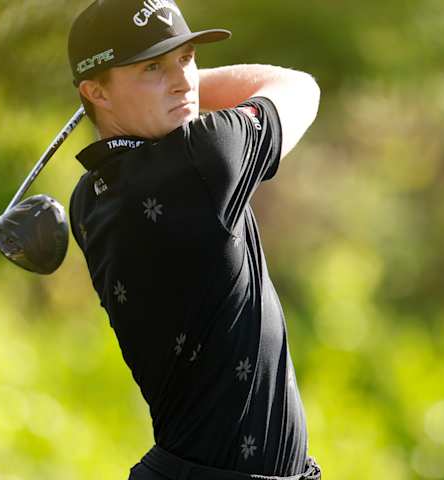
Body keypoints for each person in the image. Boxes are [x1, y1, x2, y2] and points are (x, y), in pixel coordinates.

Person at [65, 1, 321, 479]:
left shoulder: (89, 198)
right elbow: (300, 87)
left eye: (187, 58)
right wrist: (191, 87)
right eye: (153, 67)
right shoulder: (201, 160)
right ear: (94, 89)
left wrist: (155, 84)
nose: (184, 81)